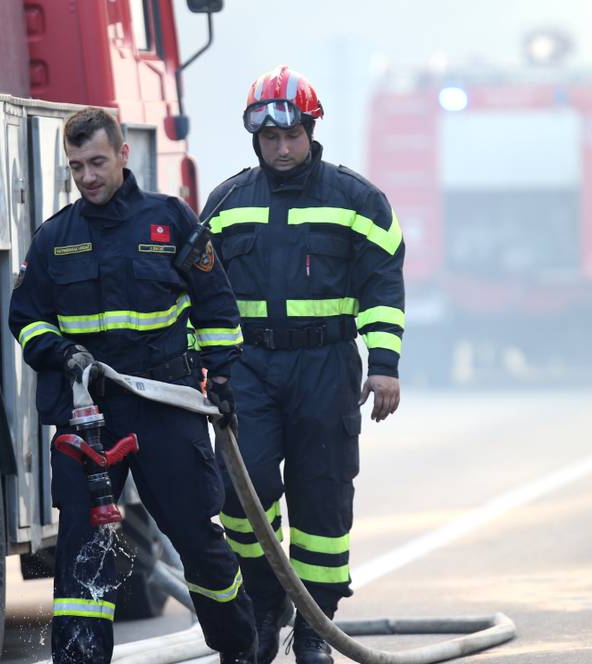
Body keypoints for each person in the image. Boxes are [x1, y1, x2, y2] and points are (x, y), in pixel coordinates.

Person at [9, 107, 257, 663]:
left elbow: (217, 306)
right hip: (87, 418)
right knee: (82, 549)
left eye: (97, 161)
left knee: (196, 538)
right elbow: (24, 319)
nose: (88, 177)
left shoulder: (169, 221)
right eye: (76, 167)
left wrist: (219, 379)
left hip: (164, 408)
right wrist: (63, 351)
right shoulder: (54, 240)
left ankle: (240, 650)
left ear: (124, 154)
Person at [202, 65, 405, 664]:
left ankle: (316, 625)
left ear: (312, 130)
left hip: (326, 366)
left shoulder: (358, 200)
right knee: (243, 493)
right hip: (250, 370)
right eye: (270, 139)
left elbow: (382, 286)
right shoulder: (226, 203)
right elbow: (198, 292)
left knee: (322, 501)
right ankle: (266, 606)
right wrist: (203, 365)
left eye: (292, 136)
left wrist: (385, 364)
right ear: (255, 138)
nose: (282, 148)